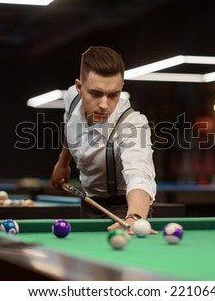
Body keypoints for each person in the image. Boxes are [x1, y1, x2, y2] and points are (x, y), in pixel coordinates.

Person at [50, 46, 156, 232]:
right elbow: (70, 126)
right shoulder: (71, 98)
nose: (104, 105)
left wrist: (135, 217)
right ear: (79, 88)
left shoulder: (132, 125)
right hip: (89, 203)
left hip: (125, 210)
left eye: (113, 95)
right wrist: (63, 162)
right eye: (96, 94)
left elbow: (140, 176)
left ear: (121, 87)